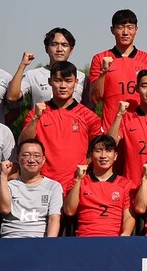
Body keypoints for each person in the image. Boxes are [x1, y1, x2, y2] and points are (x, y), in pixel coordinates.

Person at [19, 61, 102, 194]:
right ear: (49, 81)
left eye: (68, 81)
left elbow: (101, 149)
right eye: (58, 80)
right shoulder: (37, 113)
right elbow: (22, 143)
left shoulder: (88, 116)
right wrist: (36, 118)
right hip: (43, 185)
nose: (63, 86)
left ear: (76, 82)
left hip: (76, 185)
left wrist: (86, 165)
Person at [88, 10, 147, 129]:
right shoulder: (100, 59)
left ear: (136, 29)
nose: (125, 32)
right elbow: (94, 98)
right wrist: (104, 72)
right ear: (112, 30)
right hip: (110, 127)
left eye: (130, 27)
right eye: (120, 27)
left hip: (141, 127)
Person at [62, 135, 136, 237]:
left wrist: (125, 235)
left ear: (115, 156)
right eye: (98, 151)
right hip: (85, 239)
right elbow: (69, 211)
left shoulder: (126, 184)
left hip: (114, 240)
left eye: (108, 151)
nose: (103, 155)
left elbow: (129, 216)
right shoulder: (78, 182)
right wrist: (79, 180)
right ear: (91, 155)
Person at [7, 27, 88, 109]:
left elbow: (89, 108)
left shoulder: (82, 78)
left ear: (71, 50)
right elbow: (12, 97)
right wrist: (22, 65)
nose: (59, 49)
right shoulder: (33, 75)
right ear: (46, 49)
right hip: (41, 121)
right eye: (54, 44)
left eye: (64, 45)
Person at [0, 138, 62, 238]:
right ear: (18, 159)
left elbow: (54, 218)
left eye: (36, 156)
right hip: (11, 239)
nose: (31, 160)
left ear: (43, 159)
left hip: (39, 240)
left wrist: (50, 245)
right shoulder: (8, 185)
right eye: (26, 155)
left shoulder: (53, 187)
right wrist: (3, 175)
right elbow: (4, 209)